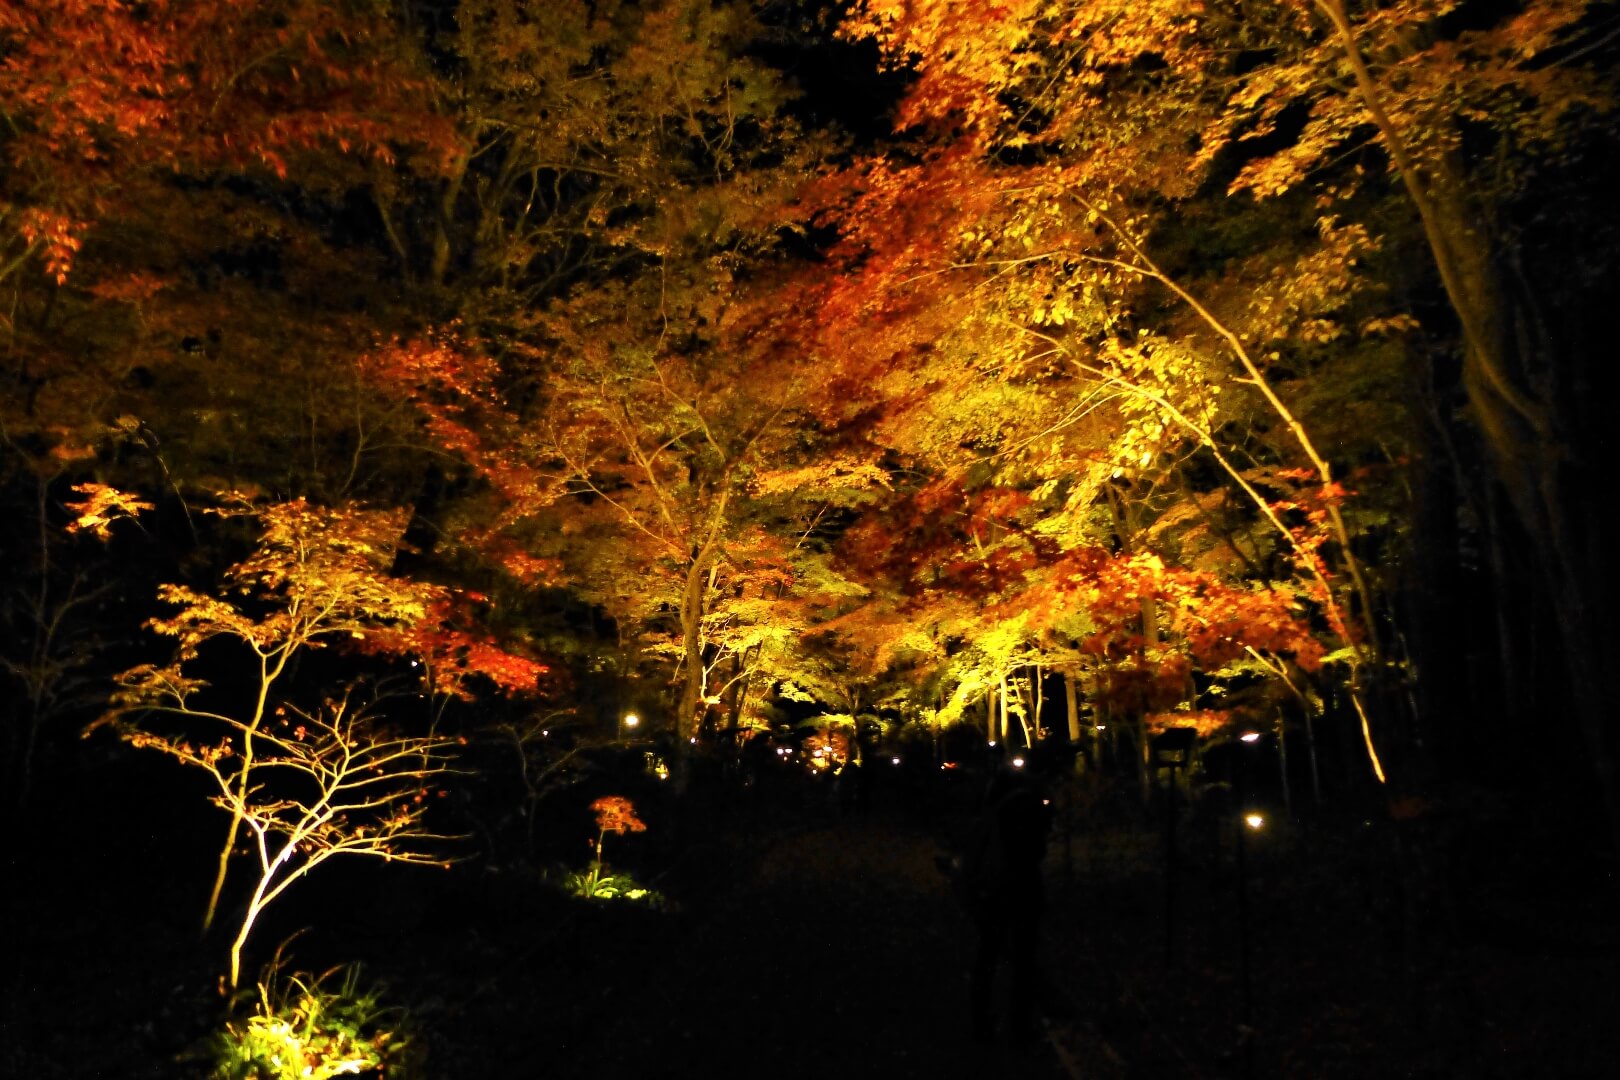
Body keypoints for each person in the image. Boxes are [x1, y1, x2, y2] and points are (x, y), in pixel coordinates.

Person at [961, 747, 1062, 1043]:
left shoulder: (993, 801)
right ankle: (1018, 1025)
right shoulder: (1027, 804)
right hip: (1022, 888)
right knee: (1023, 958)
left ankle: (981, 1021)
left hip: (991, 888)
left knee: (988, 954)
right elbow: (1037, 849)